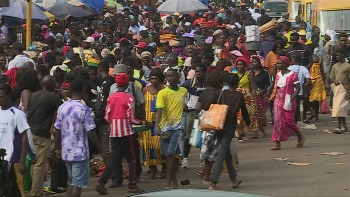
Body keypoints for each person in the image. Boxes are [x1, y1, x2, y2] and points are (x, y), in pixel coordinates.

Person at [96, 73, 151, 194]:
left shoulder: (111, 97)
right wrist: (143, 122)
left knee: (113, 158)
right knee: (132, 158)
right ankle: (132, 185)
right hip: (126, 132)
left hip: (114, 132)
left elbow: (107, 116)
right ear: (127, 84)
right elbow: (131, 119)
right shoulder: (129, 98)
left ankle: (102, 182)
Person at [54, 79, 105, 197]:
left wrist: (58, 149)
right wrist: (101, 150)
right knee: (77, 184)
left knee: (71, 181)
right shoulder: (83, 109)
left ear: (71, 90)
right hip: (79, 152)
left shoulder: (62, 107)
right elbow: (91, 131)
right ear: (83, 91)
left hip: (66, 150)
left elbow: (57, 129)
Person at [209, 73, 249, 190]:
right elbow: (244, 113)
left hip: (218, 125)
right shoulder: (239, 96)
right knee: (222, 153)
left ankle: (234, 179)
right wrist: (247, 123)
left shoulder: (220, 93)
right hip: (229, 127)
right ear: (237, 84)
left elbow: (211, 106)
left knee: (226, 153)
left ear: (226, 82)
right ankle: (213, 181)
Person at [27, 76, 62, 197]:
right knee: (39, 165)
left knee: (34, 163)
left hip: (30, 132)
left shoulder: (34, 95)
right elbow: (64, 110)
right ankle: (35, 193)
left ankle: (36, 189)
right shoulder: (53, 97)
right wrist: (61, 95)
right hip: (42, 134)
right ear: (52, 86)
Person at [155, 69, 187, 188]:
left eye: (172, 76)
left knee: (170, 153)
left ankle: (171, 181)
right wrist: (157, 126)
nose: (170, 79)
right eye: (168, 76)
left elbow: (184, 105)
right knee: (167, 156)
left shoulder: (184, 91)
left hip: (177, 127)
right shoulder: (162, 93)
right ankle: (173, 181)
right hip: (164, 128)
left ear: (178, 77)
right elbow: (159, 109)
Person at [0, 83, 29, 197]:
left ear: (9, 96)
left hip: (11, 159)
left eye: (2, 96)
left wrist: (22, 160)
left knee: (12, 189)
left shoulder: (17, 114)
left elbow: (25, 137)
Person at [270, 56, 304, 150]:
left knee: (289, 121)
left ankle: (299, 135)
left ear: (285, 64)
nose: (277, 65)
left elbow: (297, 88)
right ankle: (277, 143)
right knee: (277, 121)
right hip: (278, 100)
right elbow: (275, 87)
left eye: (279, 63)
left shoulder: (293, 75)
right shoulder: (277, 75)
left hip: (289, 99)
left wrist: (291, 99)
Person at [196, 71, 223, 183]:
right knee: (213, 153)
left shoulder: (204, 93)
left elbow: (197, 108)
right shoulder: (220, 93)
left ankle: (205, 174)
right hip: (216, 124)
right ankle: (207, 176)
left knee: (207, 151)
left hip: (205, 125)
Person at [139, 69, 166, 179]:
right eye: (152, 79)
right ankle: (153, 171)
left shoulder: (164, 90)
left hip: (160, 122)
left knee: (160, 146)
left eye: (156, 79)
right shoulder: (145, 90)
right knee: (148, 146)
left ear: (160, 80)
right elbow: (141, 105)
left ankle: (165, 168)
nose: (154, 81)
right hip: (148, 122)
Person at [181, 63, 207, 169]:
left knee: (204, 136)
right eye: (197, 71)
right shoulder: (190, 83)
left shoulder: (208, 83)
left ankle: (203, 159)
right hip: (192, 112)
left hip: (205, 112)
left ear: (205, 72)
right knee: (188, 136)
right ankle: (185, 159)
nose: (198, 73)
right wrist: (183, 104)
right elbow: (179, 91)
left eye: (200, 71)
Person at [250, 55, 271, 138]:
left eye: (255, 62)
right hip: (252, 95)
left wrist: (264, 90)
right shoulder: (250, 72)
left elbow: (269, 84)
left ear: (260, 63)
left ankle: (262, 131)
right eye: (252, 62)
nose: (254, 64)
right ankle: (255, 132)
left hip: (263, 96)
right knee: (254, 113)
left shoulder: (265, 72)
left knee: (261, 114)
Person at [329, 48, 350, 134]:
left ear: (343, 55)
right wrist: (334, 81)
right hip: (336, 89)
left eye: (338, 55)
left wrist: (349, 91)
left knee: (340, 108)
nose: (336, 57)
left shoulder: (348, 66)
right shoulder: (335, 66)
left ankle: (339, 126)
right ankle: (344, 126)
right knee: (338, 107)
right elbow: (331, 77)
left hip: (344, 89)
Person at [288, 52, 311, 122]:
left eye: (291, 59)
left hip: (290, 91)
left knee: (292, 107)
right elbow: (308, 81)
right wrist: (303, 87)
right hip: (300, 91)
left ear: (294, 59)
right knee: (297, 106)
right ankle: (300, 119)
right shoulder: (304, 69)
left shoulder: (289, 68)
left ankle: (294, 120)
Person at [309, 54, 327, 122]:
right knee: (314, 99)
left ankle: (314, 114)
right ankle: (315, 115)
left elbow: (322, 70)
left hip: (311, 80)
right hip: (317, 80)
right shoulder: (318, 57)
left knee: (313, 98)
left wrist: (324, 82)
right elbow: (322, 71)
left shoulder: (317, 58)